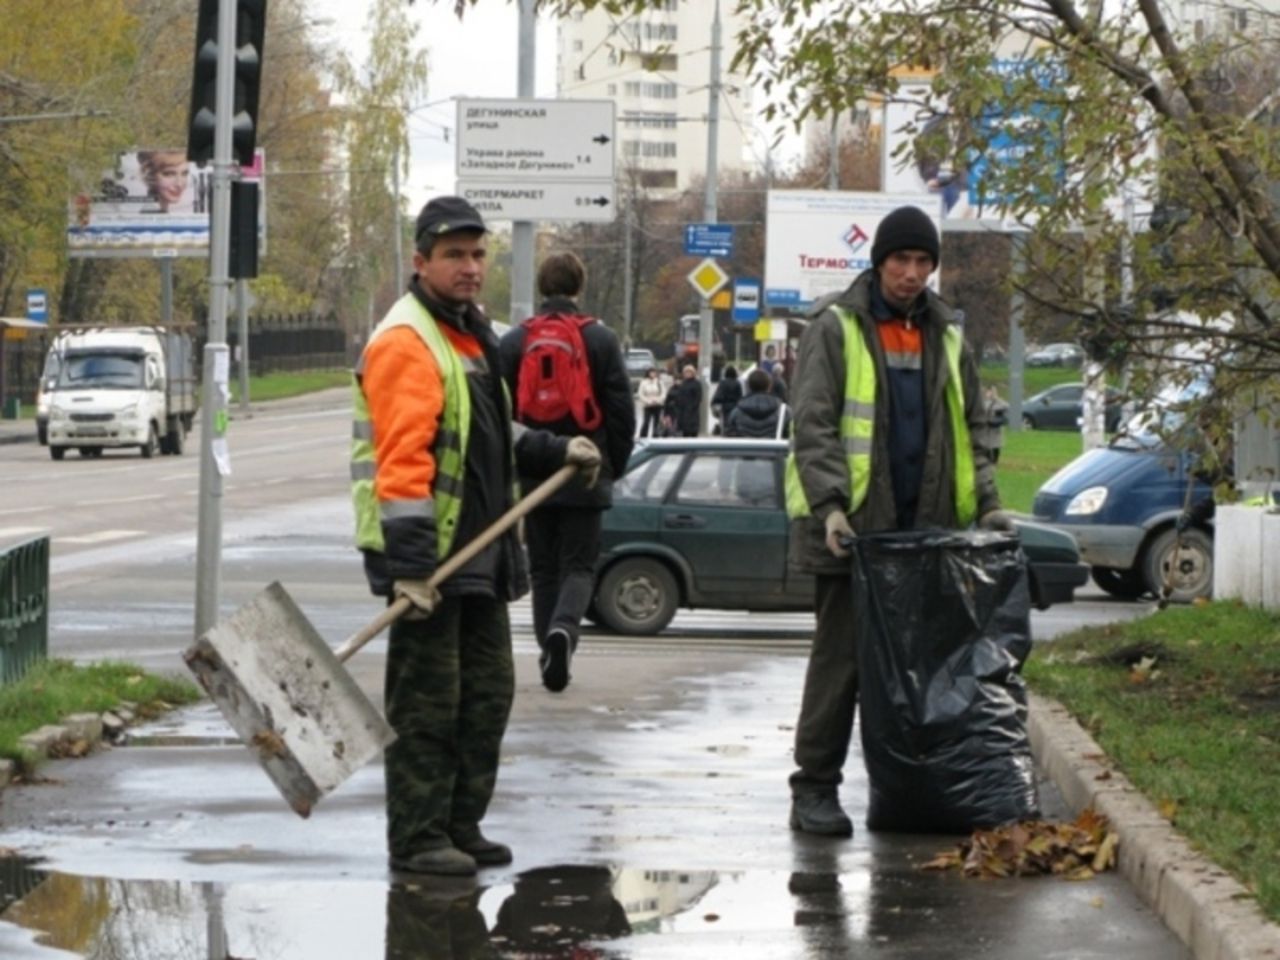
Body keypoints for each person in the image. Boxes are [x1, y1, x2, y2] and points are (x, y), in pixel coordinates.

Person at [351, 196, 601, 876]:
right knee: (429, 706)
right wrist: (409, 567)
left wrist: (555, 451)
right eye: (454, 254)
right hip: (432, 560)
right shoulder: (408, 340)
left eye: (476, 254)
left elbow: (490, 433)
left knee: (486, 697)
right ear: (421, 260)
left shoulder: (470, 335)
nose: (469, 267)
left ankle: (461, 823)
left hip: (482, 550)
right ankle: (419, 836)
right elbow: (403, 463)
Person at [783, 204, 1010, 837]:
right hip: (854, 535)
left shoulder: (947, 335)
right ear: (878, 261)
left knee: (924, 672)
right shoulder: (837, 327)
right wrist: (830, 507)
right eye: (900, 260)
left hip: (928, 535)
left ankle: (918, 790)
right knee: (842, 664)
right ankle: (814, 790)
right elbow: (814, 424)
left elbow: (971, 433)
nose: (911, 273)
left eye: (922, 262)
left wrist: (988, 505)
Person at [500, 251, 635, 693]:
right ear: (580, 286)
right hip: (586, 467)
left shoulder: (514, 342)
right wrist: (613, 463)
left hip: (534, 469)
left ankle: (547, 649)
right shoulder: (600, 339)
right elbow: (620, 411)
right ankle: (564, 632)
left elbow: (499, 416)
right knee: (579, 566)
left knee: (543, 569)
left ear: (542, 287)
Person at [727, 367, 791, 439]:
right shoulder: (784, 411)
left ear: (749, 386)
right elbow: (791, 435)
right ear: (769, 386)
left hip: (746, 450)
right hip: (773, 449)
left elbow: (730, 435)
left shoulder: (736, 412)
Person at [666, 364, 703, 437]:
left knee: (692, 430)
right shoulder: (683, 383)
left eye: (689, 372)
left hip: (692, 411)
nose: (687, 374)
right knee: (684, 431)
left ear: (693, 373)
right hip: (682, 410)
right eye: (686, 372)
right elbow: (679, 396)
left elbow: (698, 397)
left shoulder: (696, 383)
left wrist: (692, 406)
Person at [977, 385, 1009, 464]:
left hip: (995, 431)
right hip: (985, 430)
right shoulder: (983, 402)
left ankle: (994, 462)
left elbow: (1006, 406)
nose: (990, 393)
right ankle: (987, 461)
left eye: (992, 391)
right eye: (989, 391)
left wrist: (996, 398)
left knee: (995, 448)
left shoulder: (998, 402)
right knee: (986, 448)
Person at [710, 365, 743, 434]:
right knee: (735, 424)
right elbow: (740, 396)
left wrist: (714, 403)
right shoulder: (737, 383)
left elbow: (718, 395)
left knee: (726, 424)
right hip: (735, 406)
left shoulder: (723, 382)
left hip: (725, 407)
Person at [637, 367, 667, 438]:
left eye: (654, 372)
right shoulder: (643, 382)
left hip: (657, 404)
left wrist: (658, 400)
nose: (652, 374)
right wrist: (648, 401)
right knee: (646, 422)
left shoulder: (659, 382)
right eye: (651, 372)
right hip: (647, 405)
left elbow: (663, 393)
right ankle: (643, 437)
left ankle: (655, 436)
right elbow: (640, 394)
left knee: (656, 422)